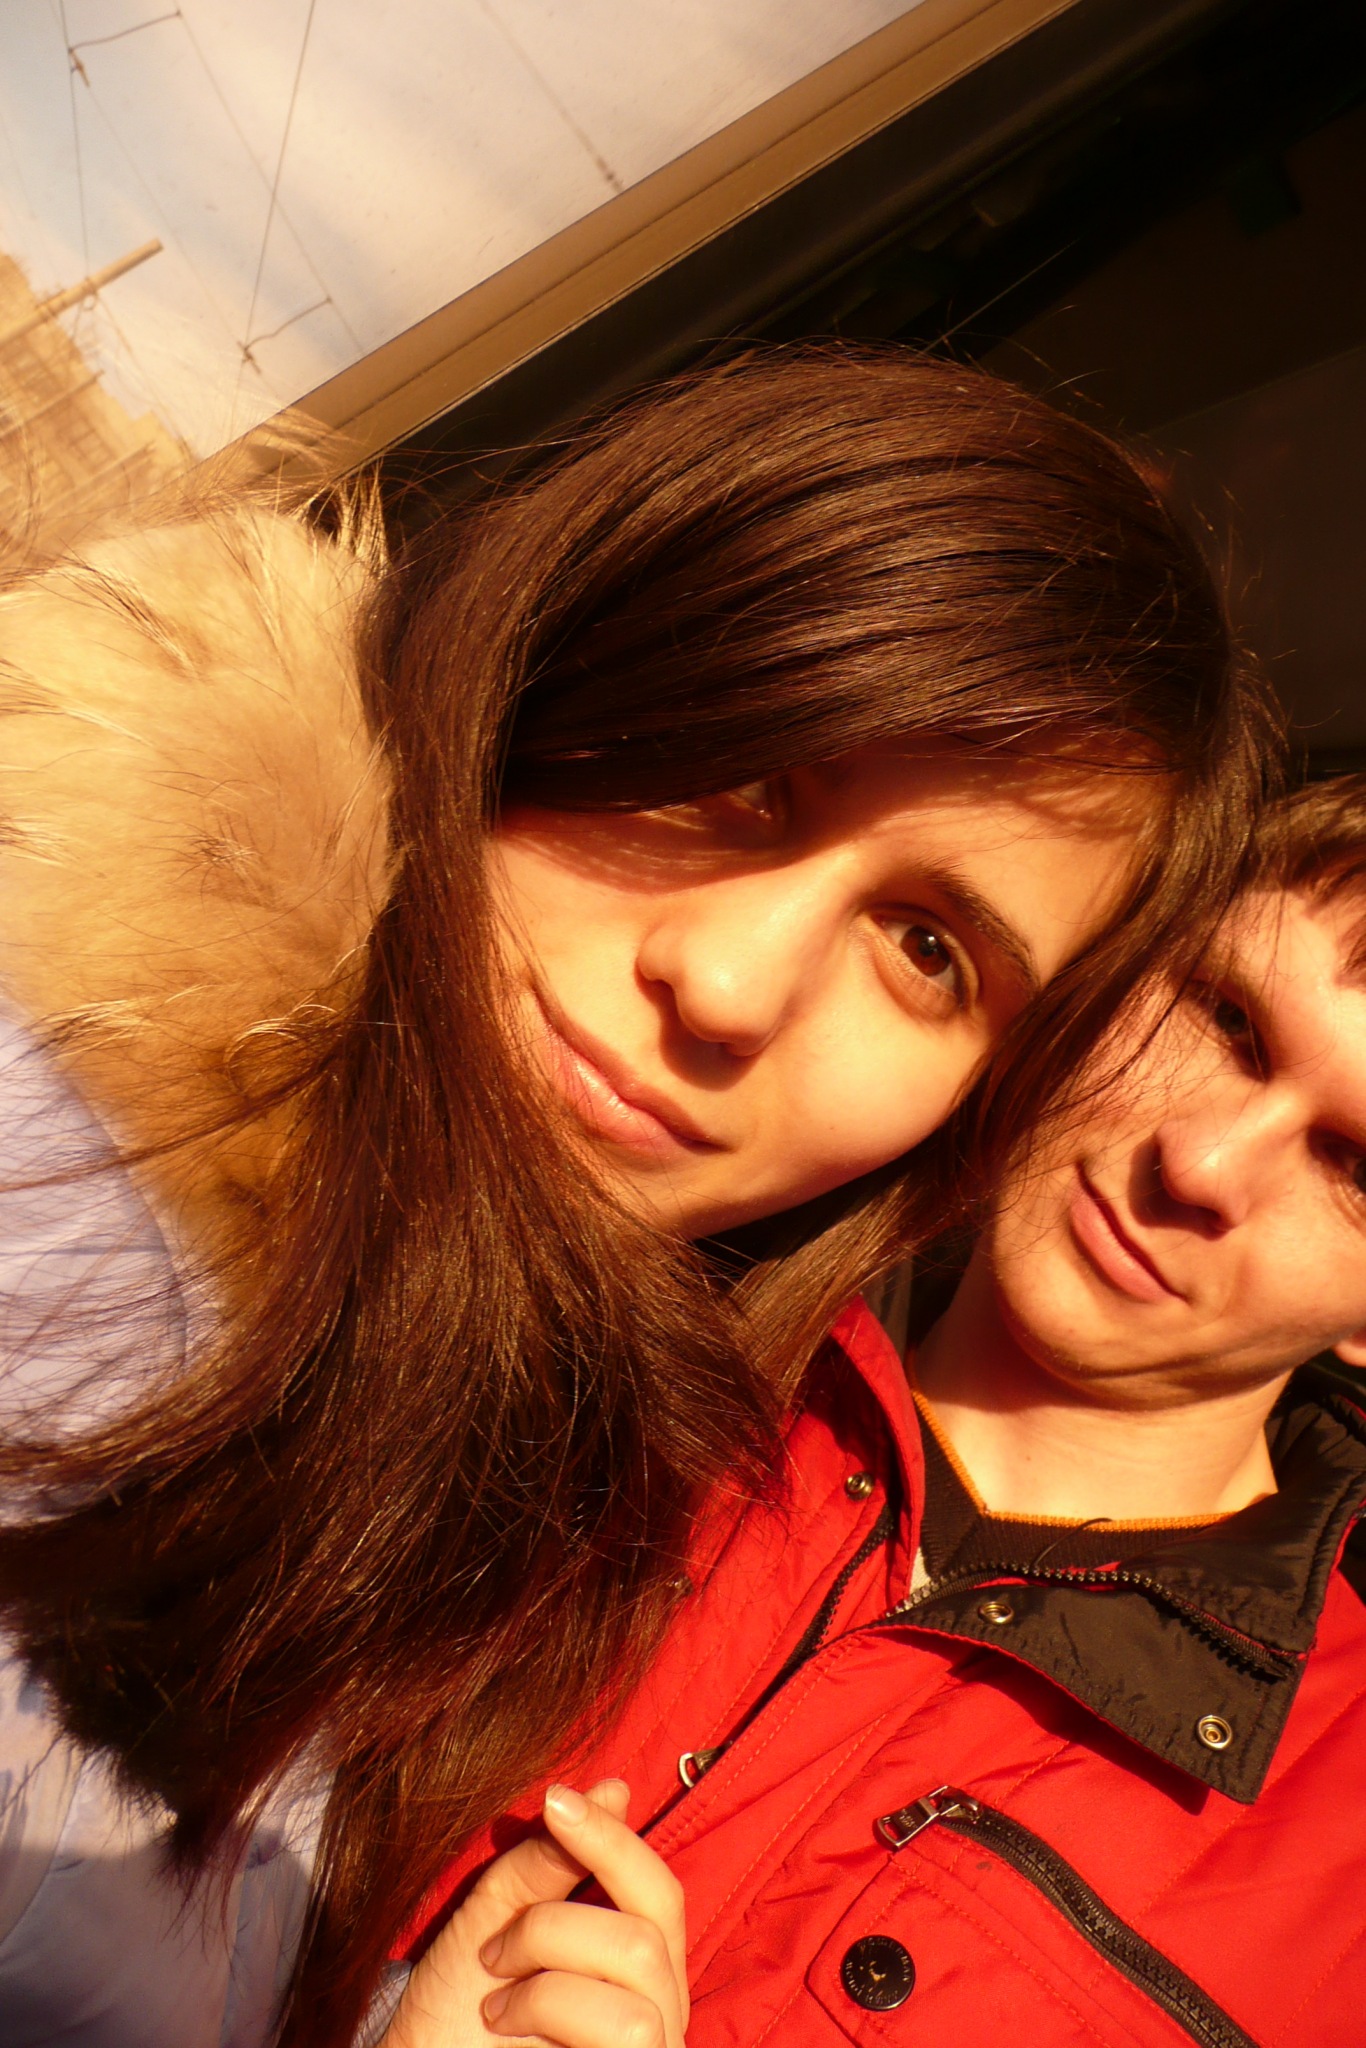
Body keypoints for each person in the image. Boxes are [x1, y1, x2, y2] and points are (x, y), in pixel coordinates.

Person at [0, 348, 1274, 2046]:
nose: (728, 983)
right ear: (569, 631)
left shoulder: (497, 1452)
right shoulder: (45, 1151)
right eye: (745, 773)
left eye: (926, 948)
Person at [402, 772, 1366, 2047]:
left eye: (1352, 1163)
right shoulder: (600, 1300)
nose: (1200, 1163)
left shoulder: (1338, 1885)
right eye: (1225, 1018)